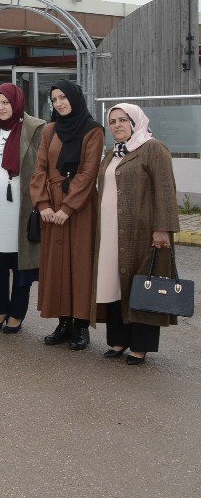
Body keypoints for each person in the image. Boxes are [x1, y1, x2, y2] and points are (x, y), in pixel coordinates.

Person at [93, 104, 180, 365]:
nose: (117, 125)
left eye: (123, 120)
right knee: (115, 284)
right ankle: (119, 341)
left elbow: (166, 191)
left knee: (141, 285)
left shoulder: (153, 148)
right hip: (110, 232)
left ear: (136, 122)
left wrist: (162, 228)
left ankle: (140, 346)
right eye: (112, 121)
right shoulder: (112, 153)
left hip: (142, 233)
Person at [30, 80, 104, 351]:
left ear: (75, 98)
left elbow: (88, 172)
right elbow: (39, 169)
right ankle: (63, 322)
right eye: (54, 98)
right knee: (56, 265)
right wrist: (43, 205)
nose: (59, 103)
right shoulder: (49, 130)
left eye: (63, 97)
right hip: (51, 207)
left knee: (79, 264)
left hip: (79, 208)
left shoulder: (93, 130)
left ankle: (81, 325)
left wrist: (68, 208)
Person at [0, 84, 45, 333]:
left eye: (6, 102)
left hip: (22, 207)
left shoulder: (37, 128)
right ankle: (0, 309)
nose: (1, 107)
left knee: (21, 262)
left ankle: (17, 312)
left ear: (17, 102)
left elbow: (43, 167)